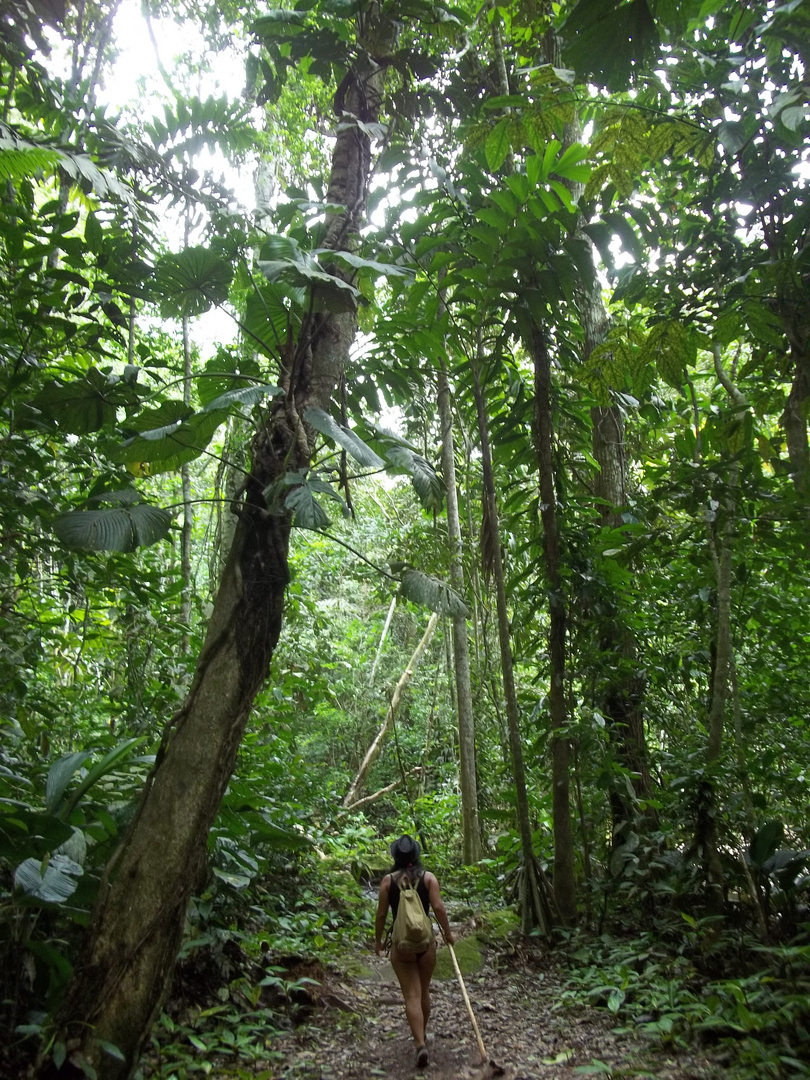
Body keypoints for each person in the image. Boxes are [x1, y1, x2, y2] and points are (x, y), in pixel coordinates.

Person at [375, 834, 455, 1070]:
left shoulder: (387, 882)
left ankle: (419, 1043)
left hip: (402, 946)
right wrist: (448, 934)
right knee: (424, 991)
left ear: (395, 857)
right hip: (425, 943)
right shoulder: (429, 878)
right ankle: (423, 1034)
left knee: (411, 995)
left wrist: (378, 941)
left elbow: (381, 915)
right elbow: (438, 907)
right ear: (416, 856)